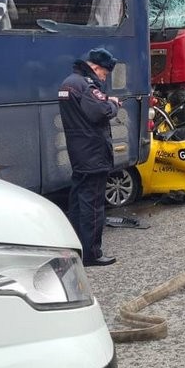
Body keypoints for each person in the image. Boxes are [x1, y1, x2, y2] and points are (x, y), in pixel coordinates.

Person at [58, 47, 120, 267]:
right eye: (104, 73)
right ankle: (92, 254)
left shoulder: (68, 82)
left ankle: (76, 248)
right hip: (93, 153)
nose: (104, 78)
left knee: (77, 203)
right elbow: (100, 112)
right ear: (95, 67)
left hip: (78, 152)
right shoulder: (85, 85)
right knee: (93, 205)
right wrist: (113, 103)